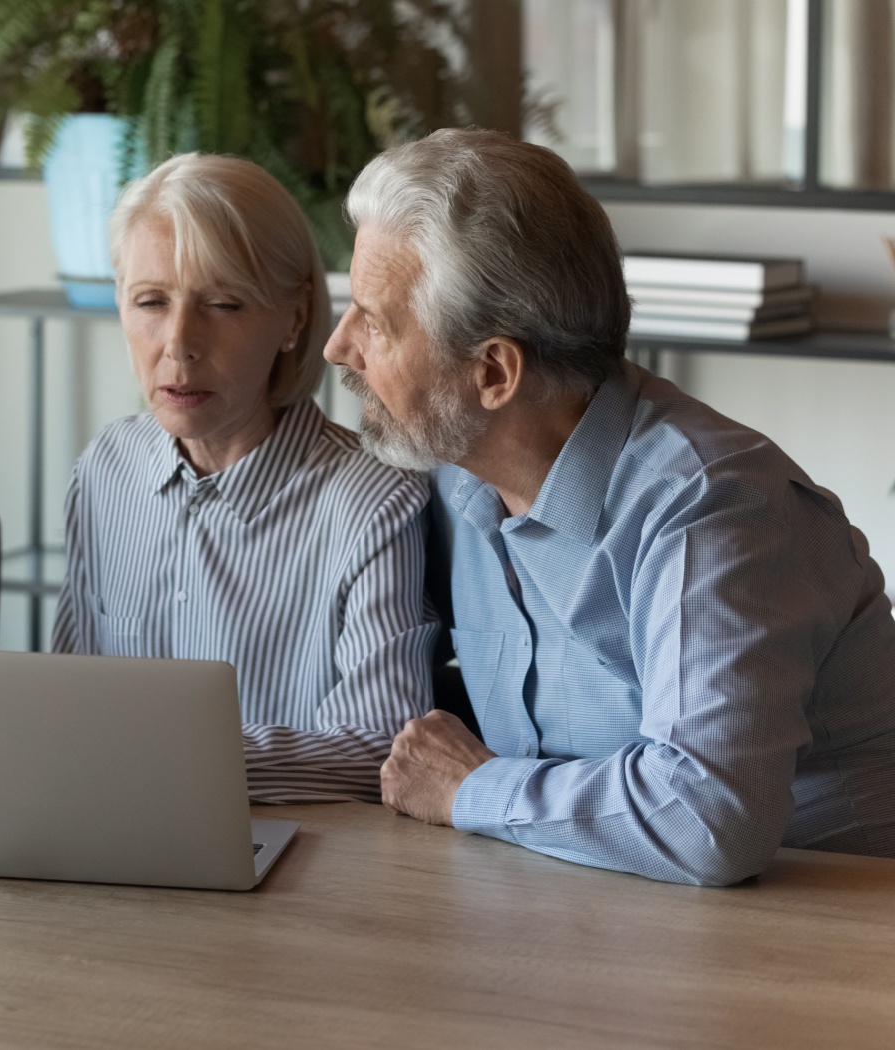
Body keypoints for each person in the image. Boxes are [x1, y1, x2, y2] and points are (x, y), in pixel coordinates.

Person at [325, 127, 895, 884]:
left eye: (378, 322)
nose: (338, 346)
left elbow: (707, 817)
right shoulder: (456, 478)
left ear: (494, 372)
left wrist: (472, 789)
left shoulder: (713, 509)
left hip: (822, 933)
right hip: (587, 912)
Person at [54, 153, 435, 803]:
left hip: (297, 867)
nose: (178, 343)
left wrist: (167, 760)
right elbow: (65, 710)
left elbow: (382, 747)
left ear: (293, 318)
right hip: (108, 839)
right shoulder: (105, 471)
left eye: (224, 304)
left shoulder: (374, 502)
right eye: (150, 301)